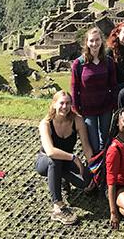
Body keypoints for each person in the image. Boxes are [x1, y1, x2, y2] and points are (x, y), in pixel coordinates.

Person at [35, 91, 94, 225]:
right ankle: (58, 207)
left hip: (65, 161)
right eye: (61, 103)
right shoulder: (45, 124)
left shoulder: (77, 120)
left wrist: (92, 168)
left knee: (86, 182)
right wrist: (74, 158)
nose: (64, 106)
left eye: (68, 103)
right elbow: (50, 151)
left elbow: (86, 147)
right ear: (54, 104)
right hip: (46, 161)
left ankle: (58, 178)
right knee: (54, 160)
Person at [69, 27, 116, 152]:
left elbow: (113, 85)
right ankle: (95, 166)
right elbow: (74, 87)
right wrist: (76, 107)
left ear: (102, 41)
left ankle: (105, 167)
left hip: (105, 107)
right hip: (88, 109)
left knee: (106, 140)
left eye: (97, 40)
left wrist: (113, 103)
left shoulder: (108, 61)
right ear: (87, 43)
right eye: (91, 41)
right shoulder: (78, 64)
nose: (94, 44)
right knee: (93, 144)